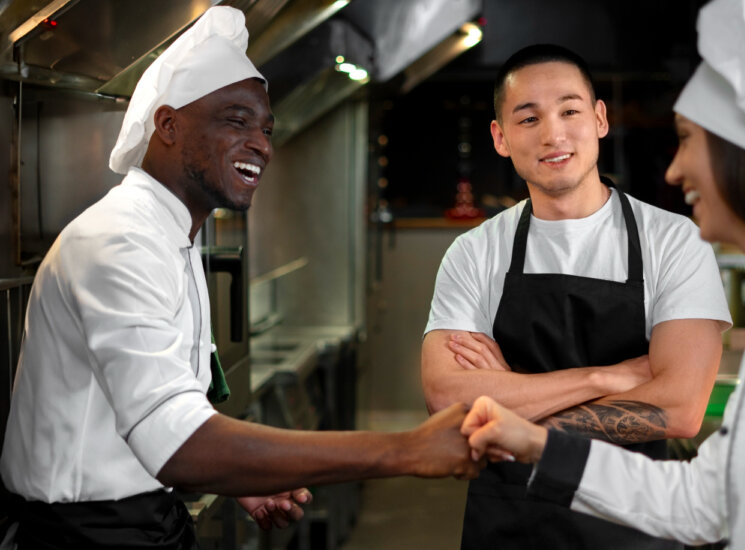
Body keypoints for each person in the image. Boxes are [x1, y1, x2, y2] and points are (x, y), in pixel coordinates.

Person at [0, 7, 480, 549]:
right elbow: (177, 442)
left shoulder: (175, 235)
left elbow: (166, 415)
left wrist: (237, 477)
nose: (262, 144)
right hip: (80, 537)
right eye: (235, 119)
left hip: (143, 517)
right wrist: (406, 450)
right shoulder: (118, 241)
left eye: (266, 128)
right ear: (168, 125)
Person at [459, 0, 745, 548]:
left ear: (744, 153)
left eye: (689, 139)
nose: (673, 169)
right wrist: (533, 440)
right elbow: (707, 500)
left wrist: (521, 403)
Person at [421, 43, 732, 549]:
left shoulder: (673, 241)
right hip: (509, 528)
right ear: (500, 137)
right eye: (528, 118)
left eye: (569, 110)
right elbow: (444, 397)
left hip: (634, 524)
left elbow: (679, 409)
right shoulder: (474, 252)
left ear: (600, 119)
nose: (553, 134)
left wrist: (510, 408)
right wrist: (605, 376)